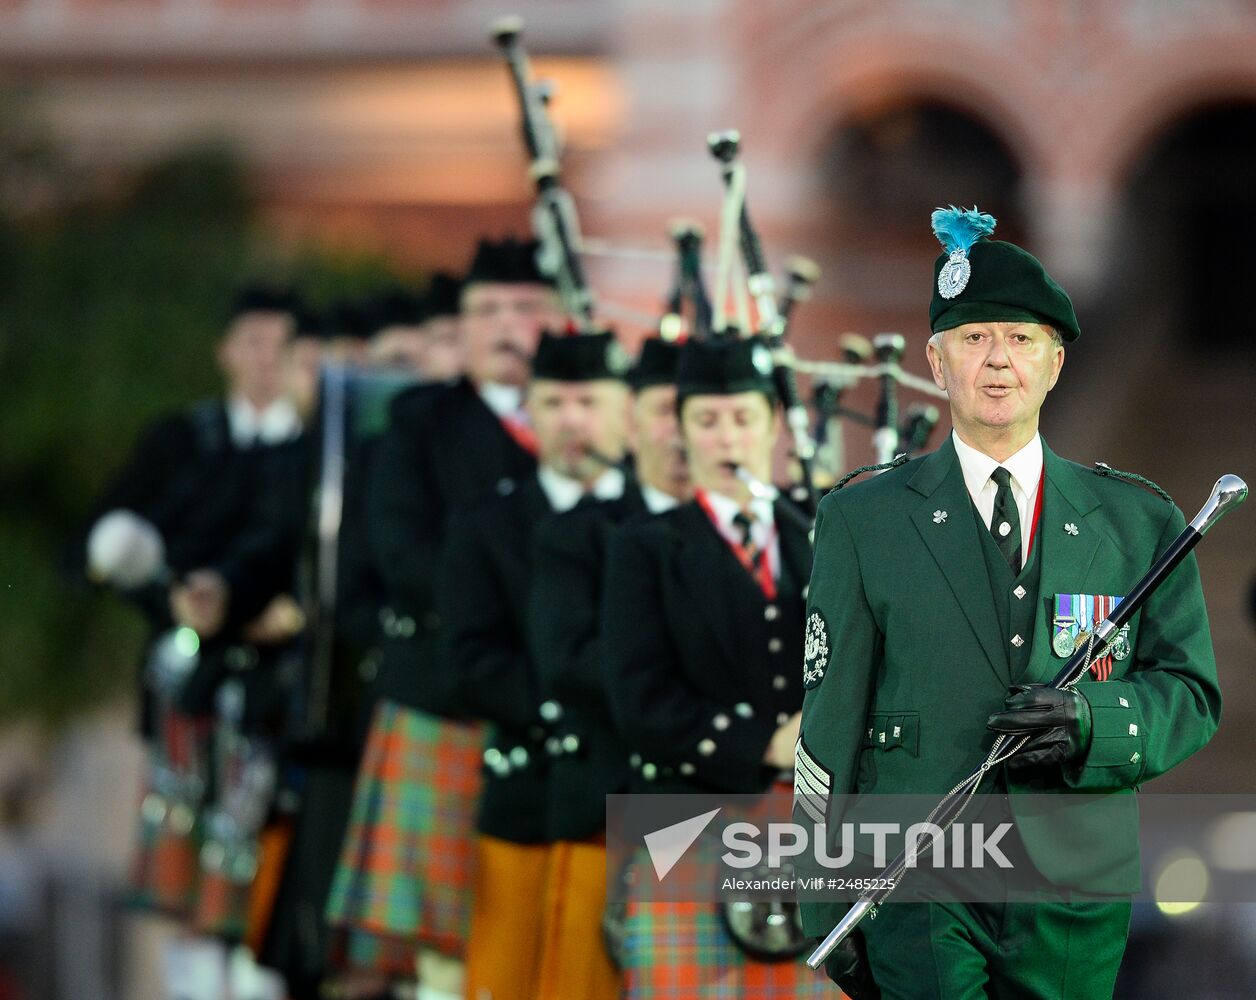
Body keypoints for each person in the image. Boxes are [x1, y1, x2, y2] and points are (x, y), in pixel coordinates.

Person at [797, 207, 1222, 999]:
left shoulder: (1141, 523)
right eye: (975, 339)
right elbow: (831, 718)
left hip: (1072, 885)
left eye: (1022, 341)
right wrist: (822, 893)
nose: (999, 362)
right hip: (916, 874)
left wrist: (1094, 722)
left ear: (1055, 364)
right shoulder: (863, 518)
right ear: (936, 360)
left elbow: (1192, 695)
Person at [329, 238, 563, 1000]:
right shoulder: (419, 420)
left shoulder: (590, 416)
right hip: (451, 698)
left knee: (558, 930)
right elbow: (405, 554)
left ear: (556, 319)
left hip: (573, 705)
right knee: (446, 954)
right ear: (460, 329)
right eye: (486, 310)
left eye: (524, 308)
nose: (506, 327)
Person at [73, 285, 301, 1000]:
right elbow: (101, 544)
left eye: (283, 346)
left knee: (262, 879)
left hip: (276, 695)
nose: (267, 361)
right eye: (254, 343)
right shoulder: (185, 440)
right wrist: (168, 600)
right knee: (190, 896)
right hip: (189, 691)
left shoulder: (313, 453)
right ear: (226, 353)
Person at [601, 335, 827, 998]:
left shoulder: (822, 533)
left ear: (774, 426)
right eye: (707, 420)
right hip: (689, 825)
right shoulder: (644, 548)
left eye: (742, 418)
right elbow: (639, 702)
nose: (727, 438)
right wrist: (764, 741)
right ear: (681, 431)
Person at [440, 329, 632, 1000]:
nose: (573, 420)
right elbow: (469, 659)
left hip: (636, 799)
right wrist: (574, 711)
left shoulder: (658, 522)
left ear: (623, 411)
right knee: (509, 981)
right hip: (526, 794)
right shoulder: (484, 524)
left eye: (588, 401)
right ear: (530, 414)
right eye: (553, 403)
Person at [525, 335, 688, 999]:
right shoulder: (579, 533)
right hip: (606, 807)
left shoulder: (769, 534)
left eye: (701, 414)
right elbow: (566, 660)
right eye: (663, 411)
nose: (680, 434)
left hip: (734, 820)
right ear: (628, 420)